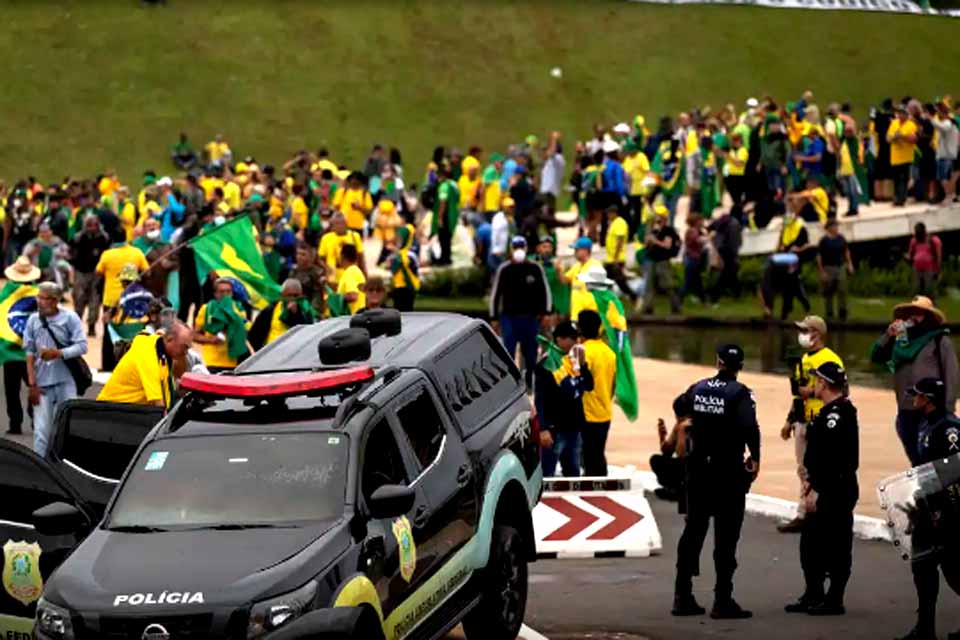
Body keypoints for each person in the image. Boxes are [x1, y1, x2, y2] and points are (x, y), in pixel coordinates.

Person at [671, 344, 760, 620]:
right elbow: (749, 426)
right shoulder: (740, 393)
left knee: (693, 531)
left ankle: (682, 596)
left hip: (698, 470)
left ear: (718, 361)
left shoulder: (698, 387)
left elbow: (679, 404)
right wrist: (755, 457)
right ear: (740, 367)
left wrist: (690, 423)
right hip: (727, 471)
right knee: (726, 536)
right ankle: (722, 600)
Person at [785, 361, 859, 616]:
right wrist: (807, 480)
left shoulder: (837, 415)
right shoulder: (828, 412)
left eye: (816, 381)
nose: (813, 385)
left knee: (836, 545)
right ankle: (813, 593)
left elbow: (836, 461)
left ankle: (834, 599)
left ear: (824, 384)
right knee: (810, 545)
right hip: (820, 486)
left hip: (835, 490)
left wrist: (817, 489)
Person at [894, 378, 960, 640]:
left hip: (949, 510)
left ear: (929, 398)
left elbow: (955, 471)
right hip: (927, 506)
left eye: (918, 395)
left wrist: (944, 508)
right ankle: (925, 628)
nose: (914, 398)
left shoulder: (949, 429)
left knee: (955, 569)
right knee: (922, 566)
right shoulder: (925, 423)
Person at [869, 296, 959, 464]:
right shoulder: (901, 341)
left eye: (918, 313)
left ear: (929, 317)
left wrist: (947, 410)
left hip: (932, 412)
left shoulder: (939, 340)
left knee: (935, 459)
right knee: (916, 461)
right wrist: (888, 336)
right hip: (906, 410)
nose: (913, 317)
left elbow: (952, 376)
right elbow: (876, 357)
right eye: (910, 313)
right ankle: (924, 487)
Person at [779, 315, 845, 533]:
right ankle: (804, 511)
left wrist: (815, 392)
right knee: (803, 469)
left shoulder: (830, 359)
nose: (802, 335)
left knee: (823, 467)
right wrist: (790, 420)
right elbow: (798, 394)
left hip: (822, 420)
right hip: (803, 420)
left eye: (806, 330)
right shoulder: (803, 360)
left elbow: (843, 390)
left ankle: (823, 511)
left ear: (817, 333)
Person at [23, 282, 87, 457]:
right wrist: (31, 384)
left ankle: (64, 465)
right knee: (41, 431)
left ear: (55, 300)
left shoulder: (70, 318)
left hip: (67, 381)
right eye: (39, 297)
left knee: (67, 426)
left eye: (45, 298)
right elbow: (29, 352)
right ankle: (41, 469)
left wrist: (59, 353)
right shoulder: (33, 320)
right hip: (41, 384)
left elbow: (82, 346)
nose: (40, 301)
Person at [489, 236, 551, 389]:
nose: (519, 250)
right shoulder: (505, 269)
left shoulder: (535, 268)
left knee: (530, 354)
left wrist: (546, 312)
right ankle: (510, 384)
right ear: (511, 249)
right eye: (516, 247)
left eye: (521, 247)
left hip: (530, 319)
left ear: (526, 248)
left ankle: (530, 379)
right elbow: (495, 294)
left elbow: (545, 292)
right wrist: (494, 317)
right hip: (509, 318)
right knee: (508, 352)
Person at [535, 320, 592, 477]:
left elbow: (589, 386)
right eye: (571, 339)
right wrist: (543, 428)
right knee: (547, 473)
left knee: (573, 472)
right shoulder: (546, 363)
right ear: (559, 339)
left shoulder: (574, 361)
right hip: (554, 428)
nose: (575, 342)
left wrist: (584, 366)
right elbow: (539, 399)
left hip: (573, 426)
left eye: (576, 339)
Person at [97, 321, 193, 408]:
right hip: (111, 412)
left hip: (130, 410)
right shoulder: (149, 358)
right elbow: (159, 406)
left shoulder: (159, 346)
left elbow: (175, 378)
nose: (186, 352)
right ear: (169, 339)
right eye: (184, 347)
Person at [1, 257, 41, 435]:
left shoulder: (5, 293)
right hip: (32, 352)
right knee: (35, 385)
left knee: (12, 390)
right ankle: (36, 417)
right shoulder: (38, 293)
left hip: (10, 351)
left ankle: (15, 423)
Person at [577, 309, 617, 477]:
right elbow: (613, 384)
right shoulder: (610, 353)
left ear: (580, 329)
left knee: (588, 457)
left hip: (586, 413)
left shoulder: (581, 351)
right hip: (605, 412)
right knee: (598, 454)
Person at [193, 277, 250, 372]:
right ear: (215, 294)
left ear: (232, 294)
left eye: (228, 292)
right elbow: (194, 335)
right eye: (222, 291)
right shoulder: (206, 309)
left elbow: (243, 332)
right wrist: (211, 340)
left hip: (233, 362)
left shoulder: (239, 310)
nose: (225, 295)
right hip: (211, 361)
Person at [69, 214, 111, 337]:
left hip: (97, 274)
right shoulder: (77, 238)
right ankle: (76, 328)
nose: (92, 228)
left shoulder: (104, 238)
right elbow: (70, 255)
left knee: (95, 301)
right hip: (81, 272)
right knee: (79, 299)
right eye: (89, 225)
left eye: (94, 225)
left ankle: (91, 326)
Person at [248, 279, 316, 350]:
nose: (292, 298)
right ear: (282, 295)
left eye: (295, 295)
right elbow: (255, 333)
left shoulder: (305, 310)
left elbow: (307, 331)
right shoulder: (270, 309)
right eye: (289, 295)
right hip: (270, 351)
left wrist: (296, 314)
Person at [641, 209, 681, 315]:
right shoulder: (653, 230)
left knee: (667, 285)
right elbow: (646, 245)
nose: (657, 219)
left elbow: (667, 245)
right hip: (651, 259)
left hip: (662, 260)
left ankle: (675, 307)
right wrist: (648, 240)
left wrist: (655, 241)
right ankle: (648, 308)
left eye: (659, 217)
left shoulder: (669, 231)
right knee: (649, 285)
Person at [817, 219, 854, 321]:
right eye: (835, 226)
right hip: (828, 267)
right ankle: (829, 314)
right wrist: (821, 271)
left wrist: (850, 264)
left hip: (840, 266)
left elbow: (846, 251)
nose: (836, 228)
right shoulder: (824, 240)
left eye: (837, 226)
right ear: (829, 228)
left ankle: (842, 313)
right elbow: (819, 256)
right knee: (829, 291)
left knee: (842, 289)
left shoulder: (841, 238)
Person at [561, 237, 603, 321]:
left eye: (577, 250)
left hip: (589, 316)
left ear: (586, 251)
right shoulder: (576, 266)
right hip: (575, 315)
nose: (574, 253)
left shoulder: (596, 266)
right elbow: (564, 280)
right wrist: (559, 270)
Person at [650, 416, 689, 503]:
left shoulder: (682, 425)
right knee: (656, 460)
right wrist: (662, 436)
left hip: (690, 466)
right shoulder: (679, 425)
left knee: (656, 460)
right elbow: (668, 452)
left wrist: (662, 436)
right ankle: (675, 489)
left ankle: (675, 490)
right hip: (688, 467)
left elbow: (674, 453)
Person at [318, 213, 363, 288]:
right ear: (332, 226)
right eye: (336, 224)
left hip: (351, 277)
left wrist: (364, 273)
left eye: (342, 223)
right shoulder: (326, 238)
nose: (339, 226)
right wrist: (326, 268)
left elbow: (360, 257)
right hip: (333, 279)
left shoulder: (355, 236)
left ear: (346, 224)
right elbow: (320, 258)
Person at [603, 204, 636, 303]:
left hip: (616, 259)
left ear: (614, 213)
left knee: (620, 281)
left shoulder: (620, 223)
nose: (607, 215)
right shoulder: (613, 223)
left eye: (609, 213)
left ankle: (634, 297)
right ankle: (608, 301)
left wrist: (616, 258)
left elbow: (620, 240)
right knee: (606, 281)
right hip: (610, 259)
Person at [888, 106, 919, 206]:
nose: (900, 115)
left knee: (904, 179)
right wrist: (893, 137)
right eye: (899, 113)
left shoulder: (911, 125)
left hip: (906, 157)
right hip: (895, 157)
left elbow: (914, 139)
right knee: (896, 179)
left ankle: (902, 198)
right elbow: (887, 138)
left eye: (903, 113)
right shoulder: (894, 123)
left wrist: (902, 136)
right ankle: (896, 197)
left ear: (906, 115)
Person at [431, 164, 460, 266]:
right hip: (453, 214)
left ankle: (444, 259)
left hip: (445, 215)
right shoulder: (454, 184)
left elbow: (443, 201)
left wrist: (439, 218)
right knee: (448, 237)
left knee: (443, 237)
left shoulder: (444, 186)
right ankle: (448, 258)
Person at [290, 242, 327, 318]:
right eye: (298, 254)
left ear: (311, 257)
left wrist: (313, 313)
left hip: (309, 313)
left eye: (303, 254)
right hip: (293, 311)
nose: (299, 257)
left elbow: (317, 296)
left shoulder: (317, 273)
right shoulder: (293, 272)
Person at [907, 222, 942, 300]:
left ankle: (931, 307)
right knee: (916, 289)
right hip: (917, 268)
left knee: (929, 290)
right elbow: (911, 255)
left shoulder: (933, 240)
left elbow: (938, 256)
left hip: (929, 269)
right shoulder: (914, 241)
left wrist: (937, 270)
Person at [682, 214, 707, 303]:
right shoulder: (692, 231)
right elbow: (697, 240)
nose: (702, 222)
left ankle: (703, 300)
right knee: (688, 283)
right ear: (696, 222)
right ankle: (677, 300)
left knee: (698, 282)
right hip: (691, 259)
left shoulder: (697, 231)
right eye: (701, 220)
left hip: (695, 259)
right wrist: (708, 238)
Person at [337, 243, 367, 315]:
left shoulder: (350, 272)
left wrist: (336, 298)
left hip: (354, 317)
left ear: (342, 257)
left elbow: (353, 296)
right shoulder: (356, 270)